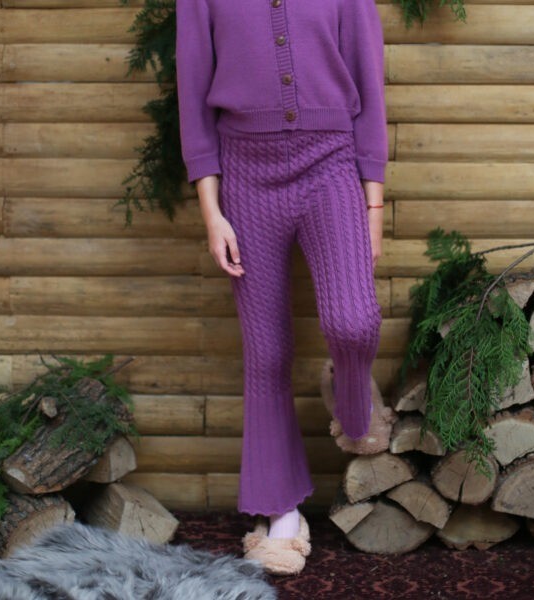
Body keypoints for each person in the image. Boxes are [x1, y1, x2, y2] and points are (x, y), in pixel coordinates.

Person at [176, 0, 387, 575]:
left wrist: (373, 206)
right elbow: (193, 99)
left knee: (354, 321)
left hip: (331, 164)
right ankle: (281, 513)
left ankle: (354, 402)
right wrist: (212, 213)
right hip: (245, 173)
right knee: (267, 353)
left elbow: (369, 86)